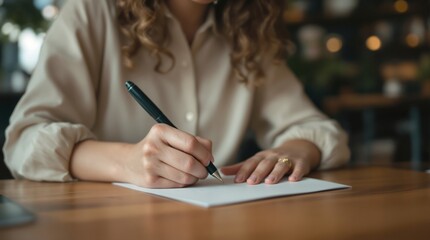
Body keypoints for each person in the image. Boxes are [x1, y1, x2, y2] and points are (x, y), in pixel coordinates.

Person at [3, 0, 350, 188]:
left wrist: (293, 149)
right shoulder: (92, 12)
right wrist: (126, 162)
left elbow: (317, 129)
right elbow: (23, 143)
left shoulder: (247, 26)